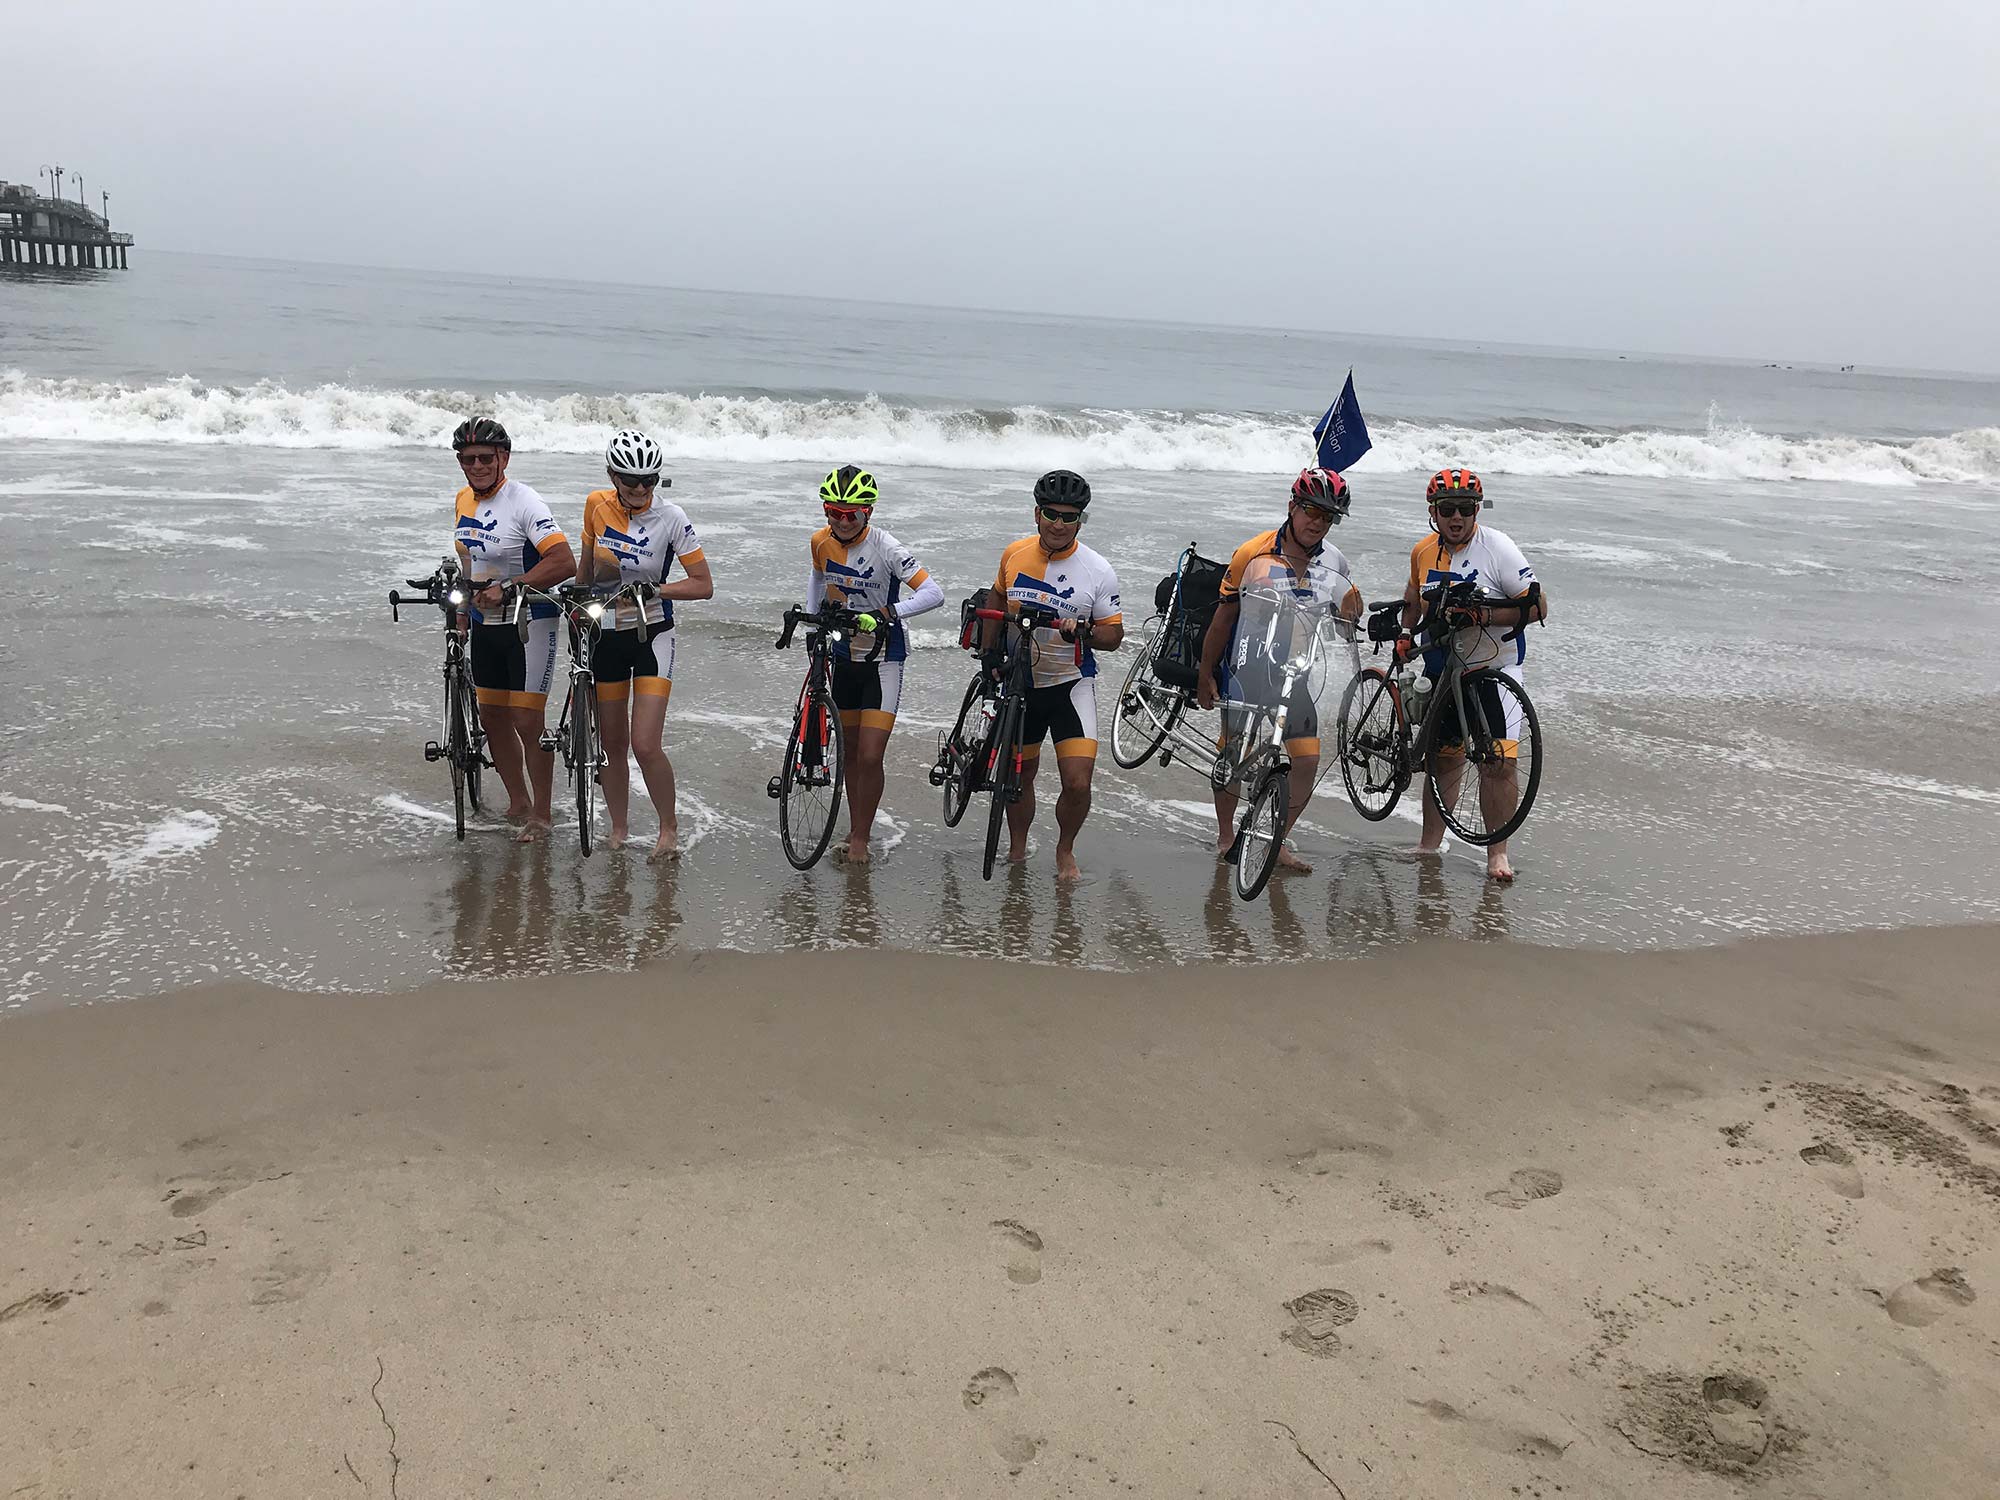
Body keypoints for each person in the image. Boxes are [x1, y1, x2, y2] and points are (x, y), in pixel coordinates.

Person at [1196, 467, 1363, 875]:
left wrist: (1353, 614)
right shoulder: (1253, 552)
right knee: (1234, 750)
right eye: (1310, 510)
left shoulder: (1335, 560)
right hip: (1248, 664)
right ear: (1292, 506)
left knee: (1306, 761)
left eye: (1327, 517)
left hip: (1296, 672)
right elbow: (1223, 619)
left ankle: (1276, 839)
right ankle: (1226, 835)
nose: (1316, 523)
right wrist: (1205, 673)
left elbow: (1346, 612)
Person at [1400, 467, 1548, 882]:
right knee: (1442, 759)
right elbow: (1413, 600)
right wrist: (1404, 635)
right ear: (1434, 510)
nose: (1456, 516)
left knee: (1497, 761)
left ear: (1476, 509)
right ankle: (1429, 845)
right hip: (1443, 666)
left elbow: (1539, 607)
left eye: (1465, 508)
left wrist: (1484, 614)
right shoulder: (1423, 551)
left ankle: (1496, 854)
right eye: (1447, 508)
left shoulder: (1498, 548)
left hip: (1493, 666)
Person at [577, 428, 713, 860]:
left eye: (649, 481)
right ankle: (618, 829)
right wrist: (576, 608)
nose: (640, 489)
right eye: (630, 480)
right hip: (606, 635)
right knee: (611, 745)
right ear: (612, 476)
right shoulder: (596, 506)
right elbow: (585, 572)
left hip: (652, 635)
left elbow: (703, 586)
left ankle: (667, 829)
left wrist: (659, 590)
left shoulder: (672, 518)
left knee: (645, 744)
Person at [985, 469, 1124, 882]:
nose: (1059, 524)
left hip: (1070, 684)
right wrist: (990, 651)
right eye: (1051, 514)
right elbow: (996, 595)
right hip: (1020, 685)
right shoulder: (1014, 554)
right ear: (1036, 514)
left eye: (1070, 517)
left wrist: (1082, 630)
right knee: (1020, 776)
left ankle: (1065, 850)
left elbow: (1114, 635)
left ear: (1081, 520)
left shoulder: (1098, 570)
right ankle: (1017, 846)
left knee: (1078, 783)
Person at [806, 464, 945, 865]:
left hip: (884, 658)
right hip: (844, 655)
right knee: (849, 754)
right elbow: (817, 578)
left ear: (869, 513)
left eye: (852, 514)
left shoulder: (888, 548)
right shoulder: (819, 542)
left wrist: (887, 612)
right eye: (834, 512)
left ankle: (862, 840)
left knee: (870, 756)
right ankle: (855, 831)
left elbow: (933, 594)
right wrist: (814, 624)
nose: (842, 521)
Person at [450, 416, 575, 842]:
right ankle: (517, 801)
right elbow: (469, 561)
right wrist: (464, 611)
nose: (478, 466)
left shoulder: (525, 502)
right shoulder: (463, 501)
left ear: (504, 457)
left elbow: (563, 562)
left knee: (526, 719)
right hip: (486, 623)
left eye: (486, 457)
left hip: (530, 621)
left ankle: (542, 815)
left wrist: (511, 587)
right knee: (492, 717)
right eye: (468, 459)